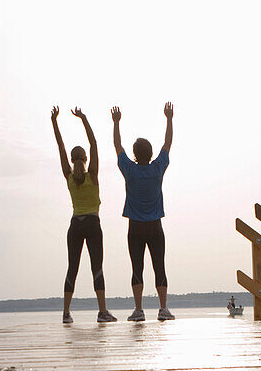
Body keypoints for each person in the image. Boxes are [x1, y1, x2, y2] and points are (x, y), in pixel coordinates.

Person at [51, 105, 117, 325]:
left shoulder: (69, 176)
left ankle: (66, 313)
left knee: (73, 268)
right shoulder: (93, 175)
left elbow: (60, 146)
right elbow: (94, 143)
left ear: (71, 160)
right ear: (86, 158)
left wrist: (55, 122)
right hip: (92, 223)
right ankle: (102, 311)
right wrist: (84, 118)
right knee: (96, 267)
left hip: (75, 225)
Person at [111, 102, 174, 322]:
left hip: (135, 226)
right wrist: (169, 119)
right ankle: (163, 309)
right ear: (150, 153)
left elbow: (117, 145)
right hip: (155, 225)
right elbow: (167, 143)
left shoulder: (129, 170)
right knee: (159, 265)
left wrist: (116, 123)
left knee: (137, 266)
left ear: (136, 155)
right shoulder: (157, 168)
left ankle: (138, 310)